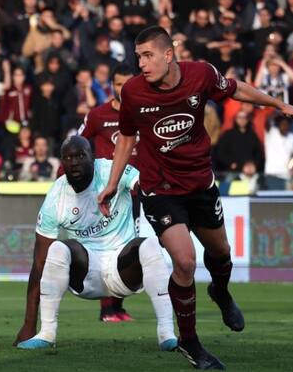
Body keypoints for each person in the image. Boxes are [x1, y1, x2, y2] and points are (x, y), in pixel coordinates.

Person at [97, 26, 293, 369]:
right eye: (138, 58)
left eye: (148, 56)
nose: (142, 65)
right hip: (160, 189)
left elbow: (237, 90)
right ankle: (190, 342)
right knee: (185, 261)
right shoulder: (134, 91)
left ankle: (220, 292)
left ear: (168, 54)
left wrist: (278, 102)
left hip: (200, 184)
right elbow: (126, 139)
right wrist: (112, 183)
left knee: (221, 252)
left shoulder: (201, 74)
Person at [13, 136, 176, 353]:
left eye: (81, 155)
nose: (75, 162)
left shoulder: (112, 170)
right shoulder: (55, 197)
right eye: (69, 157)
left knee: (150, 245)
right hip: (86, 275)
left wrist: (166, 223)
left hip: (123, 269)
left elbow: (147, 187)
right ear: (61, 162)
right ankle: (46, 333)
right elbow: (39, 264)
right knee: (58, 249)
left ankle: (167, 334)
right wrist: (28, 323)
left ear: (93, 157)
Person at [77, 63, 137, 322]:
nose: (124, 88)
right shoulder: (98, 115)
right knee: (105, 250)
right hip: (107, 194)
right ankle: (105, 310)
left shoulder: (140, 113)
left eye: (128, 83)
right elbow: (78, 143)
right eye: (119, 83)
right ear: (112, 85)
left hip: (134, 192)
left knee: (127, 250)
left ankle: (119, 307)